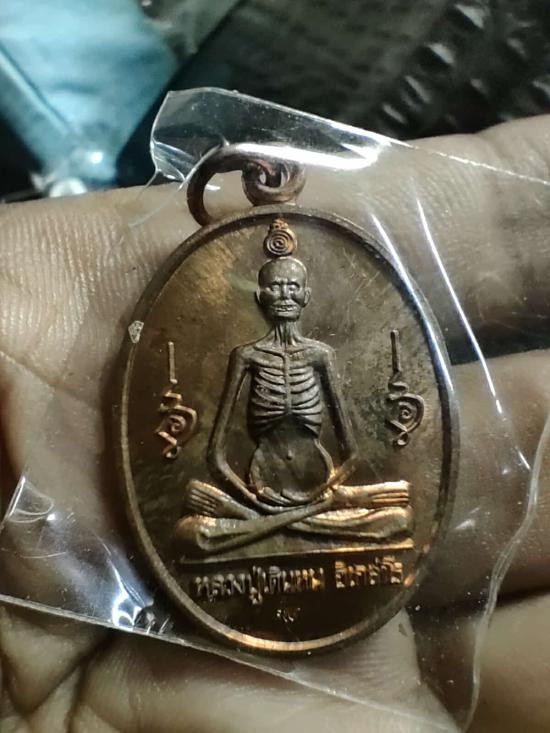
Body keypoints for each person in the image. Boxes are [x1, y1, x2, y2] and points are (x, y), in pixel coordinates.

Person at [1, 114, 550, 731]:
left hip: (319, 489)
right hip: (253, 491)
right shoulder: (245, 357)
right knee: (192, 533)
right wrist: (243, 490)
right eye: (276, 290)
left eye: (294, 290)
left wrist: (331, 485)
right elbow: (215, 447)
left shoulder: (321, 357)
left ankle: (284, 528)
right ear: (261, 297)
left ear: (304, 297)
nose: (285, 297)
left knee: (394, 515)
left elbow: (350, 443)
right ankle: (276, 527)